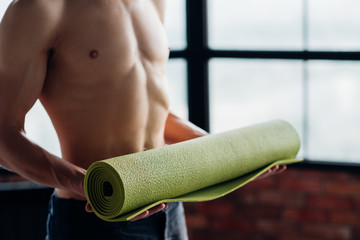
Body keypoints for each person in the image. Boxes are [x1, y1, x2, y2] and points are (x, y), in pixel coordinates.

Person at [0, 0, 285, 239]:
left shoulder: (152, 1)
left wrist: (230, 156)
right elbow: (4, 132)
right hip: (96, 217)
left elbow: (153, 115)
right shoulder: (39, 8)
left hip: (170, 209)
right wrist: (84, 183)